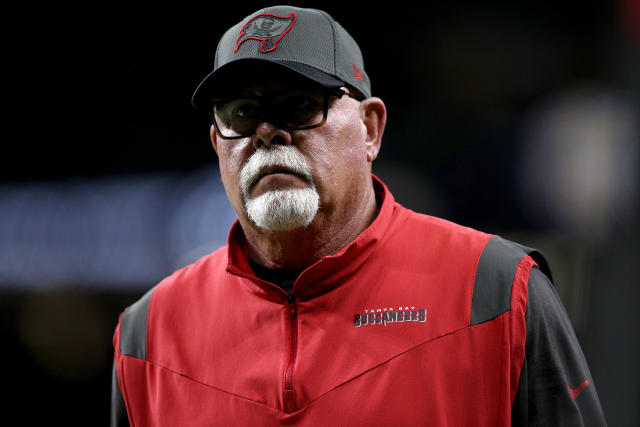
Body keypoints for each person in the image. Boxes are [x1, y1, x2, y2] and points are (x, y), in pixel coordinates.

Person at [111, 5, 607, 426]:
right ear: (219, 145)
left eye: (299, 106)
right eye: (241, 113)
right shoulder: (148, 332)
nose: (266, 132)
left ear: (370, 130)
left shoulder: (498, 290)